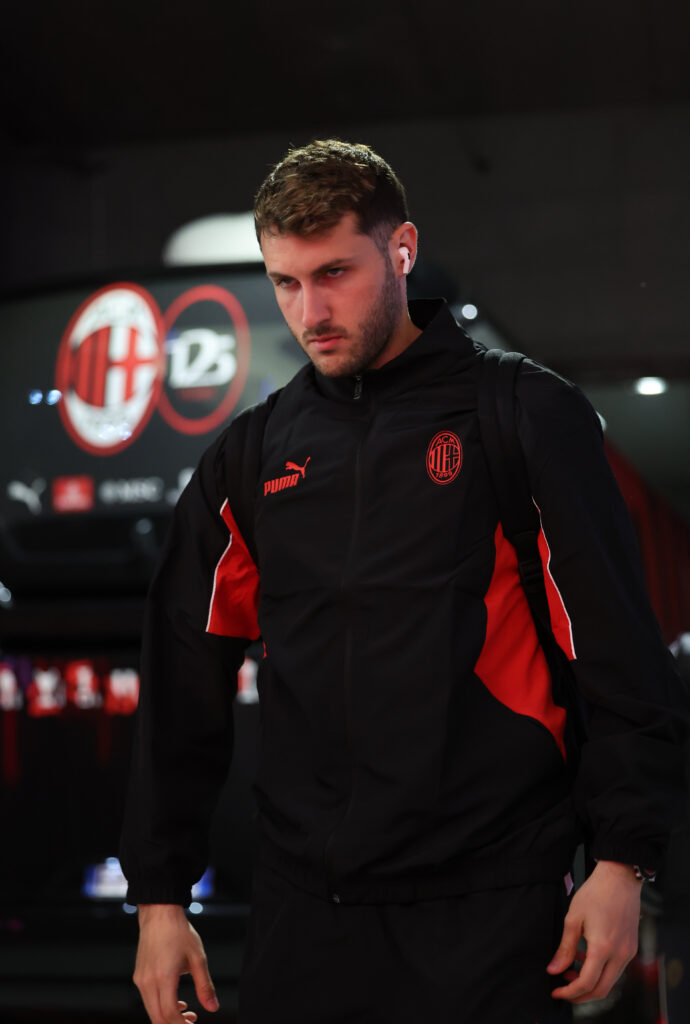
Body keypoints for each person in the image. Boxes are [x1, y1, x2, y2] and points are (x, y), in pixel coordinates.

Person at [120, 139, 688, 1024]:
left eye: (335, 272)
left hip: (490, 906)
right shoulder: (249, 456)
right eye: (286, 282)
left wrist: (623, 862)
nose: (311, 309)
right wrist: (159, 900)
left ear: (403, 249)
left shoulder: (521, 414)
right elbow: (180, 683)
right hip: (305, 915)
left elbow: (616, 649)